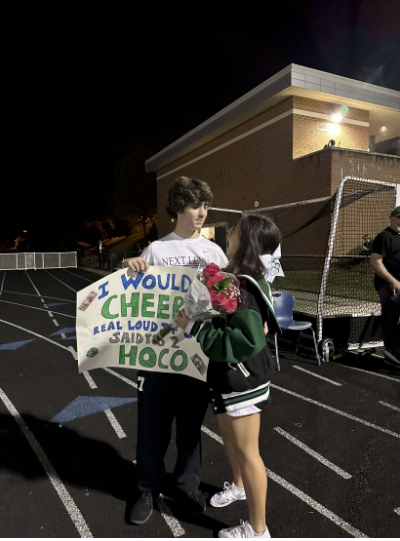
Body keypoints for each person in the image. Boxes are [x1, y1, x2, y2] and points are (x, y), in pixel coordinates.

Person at [122, 176, 228, 525]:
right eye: (197, 205)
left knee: (189, 429)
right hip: (157, 353)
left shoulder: (215, 253)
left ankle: (186, 486)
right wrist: (127, 269)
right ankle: (145, 486)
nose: (203, 212)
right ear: (179, 207)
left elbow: (227, 301)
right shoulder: (155, 250)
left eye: (206, 206)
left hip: (197, 356)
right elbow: (131, 296)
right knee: (152, 426)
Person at [176, 214, 281, 538]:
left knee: (249, 452)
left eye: (234, 230)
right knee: (227, 431)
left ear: (246, 240)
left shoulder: (244, 284)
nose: (229, 233)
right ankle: (238, 486)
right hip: (228, 376)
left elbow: (246, 341)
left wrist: (193, 326)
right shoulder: (235, 275)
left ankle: (258, 529)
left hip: (242, 378)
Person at [370, 206, 400, 367]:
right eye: (399, 217)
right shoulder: (385, 236)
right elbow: (376, 261)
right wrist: (392, 280)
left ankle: (394, 347)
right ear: (391, 218)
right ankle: (391, 351)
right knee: (391, 317)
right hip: (388, 285)